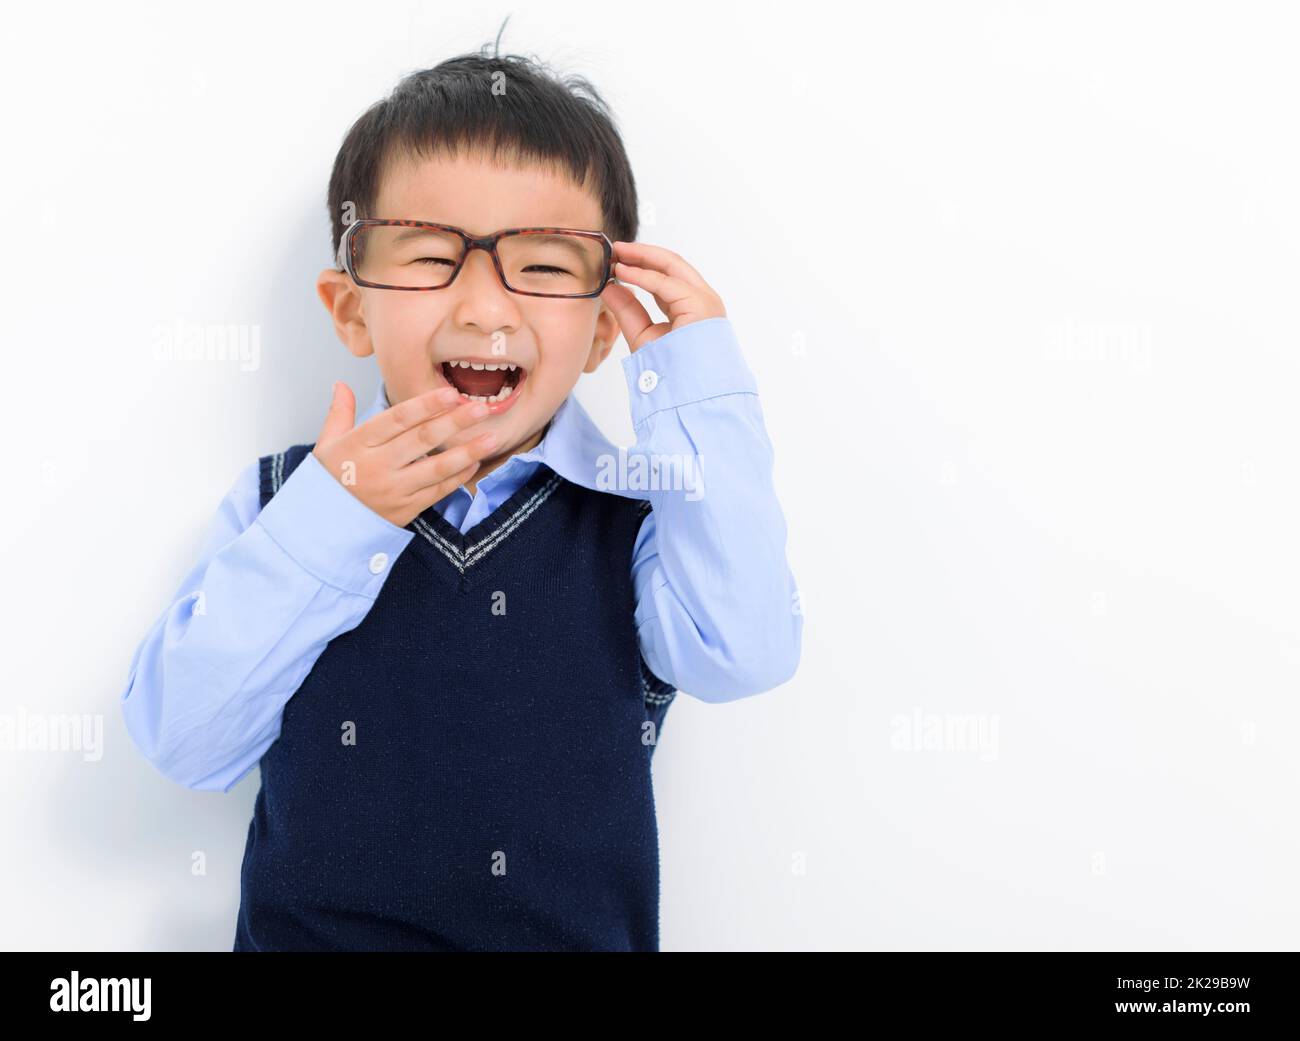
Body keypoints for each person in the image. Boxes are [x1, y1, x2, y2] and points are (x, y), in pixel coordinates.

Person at [120, 42, 801, 952]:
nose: (485, 309)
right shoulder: (291, 503)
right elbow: (183, 739)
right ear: (351, 310)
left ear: (604, 330)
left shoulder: (639, 525)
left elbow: (744, 649)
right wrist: (339, 517)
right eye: (434, 257)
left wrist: (695, 381)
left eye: (547, 268)